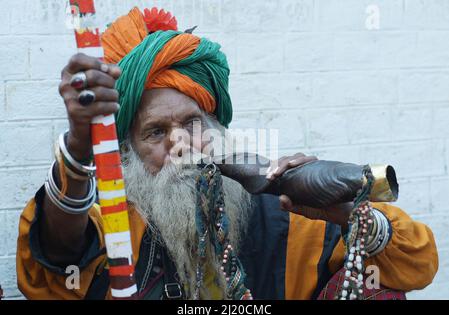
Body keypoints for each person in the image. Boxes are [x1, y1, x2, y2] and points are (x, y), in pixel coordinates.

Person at [16, 7, 438, 300]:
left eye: (192, 124)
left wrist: (343, 211)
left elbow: (415, 265)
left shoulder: (287, 213)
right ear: (127, 153)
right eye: (156, 132)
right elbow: (52, 271)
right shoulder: (114, 225)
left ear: (218, 129)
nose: (180, 144)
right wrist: (77, 142)